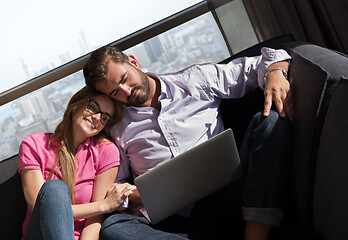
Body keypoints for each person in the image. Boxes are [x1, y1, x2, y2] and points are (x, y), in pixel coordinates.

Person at [83, 45, 293, 240]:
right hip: (177, 221)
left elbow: (267, 60)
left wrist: (275, 73)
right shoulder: (116, 128)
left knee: (271, 122)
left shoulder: (194, 79)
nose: (126, 92)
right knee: (114, 228)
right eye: (114, 92)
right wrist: (136, 196)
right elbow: (115, 188)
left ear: (133, 62)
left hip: (233, 191)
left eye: (124, 79)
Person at [18, 86, 136, 240]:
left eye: (104, 118)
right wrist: (105, 205)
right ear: (76, 104)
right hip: (40, 234)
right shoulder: (33, 145)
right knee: (55, 189)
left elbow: (94, 220)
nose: (97, 118)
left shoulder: (106, 151)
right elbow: (40, 210)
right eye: (93, 107)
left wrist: (100, 208)